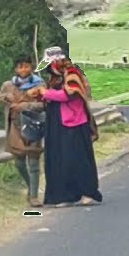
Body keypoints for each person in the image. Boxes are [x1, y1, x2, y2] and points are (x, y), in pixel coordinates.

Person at [29, 46, 102, 207]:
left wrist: (45, 93)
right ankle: (63, 195)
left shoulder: (72, 74)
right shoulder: (54, 79)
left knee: (78, 159)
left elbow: (69, 94)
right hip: (56, 123)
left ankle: (86, 192)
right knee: (59, 159)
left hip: (74, 122)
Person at [0, 57, 46, 207]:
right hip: (15, 128)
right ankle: (30, 186)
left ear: (31, 68)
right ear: (16, 70)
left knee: (34, 162)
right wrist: (5, 97)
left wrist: (25, 106)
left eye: (26, 67)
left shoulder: (39, 84)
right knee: (19, 162)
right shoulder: (8, 85)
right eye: (20, 67)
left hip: (33, 124)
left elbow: (44, 104)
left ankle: (34, 196)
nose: (23, 70)